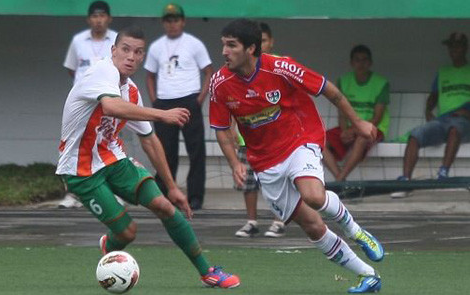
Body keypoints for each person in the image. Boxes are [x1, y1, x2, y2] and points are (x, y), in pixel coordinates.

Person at [56, 26, 240, 289]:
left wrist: (173, 187)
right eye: (125, 49)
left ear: (143, 57)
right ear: (113, 50)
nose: (131, 57)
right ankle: (111, 246)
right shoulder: (101, 70)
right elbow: (110, 105)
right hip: (80, 169)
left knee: (166, 206)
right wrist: (162, 113)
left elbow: (150, 140)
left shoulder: (130, 90)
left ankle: (207, 271)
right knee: (128, 232)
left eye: (138, 52)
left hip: (113, 158)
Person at [210, 19, 384, 293]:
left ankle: (356, 232)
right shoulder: (220, 84)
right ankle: (368, 275)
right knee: (312, 226)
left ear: (251, 49)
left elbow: (330, 90)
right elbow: (221, 129)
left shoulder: (281, 66)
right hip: (264, 161)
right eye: (223, 45)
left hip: (300, 138)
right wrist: (234, 163)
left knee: (314, 195)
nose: (224, 52)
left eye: (231, 45)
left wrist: (359, 123)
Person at [144, 3, 213, 210]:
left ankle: (195, 197)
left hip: (189, 99)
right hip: (164, 102)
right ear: (163, 23)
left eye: (175, 20)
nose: (172, 24)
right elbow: (149, 75)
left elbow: (209, 71)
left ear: (182, 21)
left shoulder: (194, 44)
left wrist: (200, 99)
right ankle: (164, 193)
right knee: (164, 151)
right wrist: (155, 100)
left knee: (196, 150)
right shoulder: (156, 46)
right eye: (168, 20)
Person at [392, 32, 470, 197]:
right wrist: (428, 111)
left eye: (457, 46)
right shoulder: (443, 72)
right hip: (443, 120)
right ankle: (405, 181)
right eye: (451, 47)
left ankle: (443, 173)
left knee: (455, 129)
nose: (454, 50)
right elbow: (433, 96)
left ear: (465, 48)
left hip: (464, 122)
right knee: (415, 135)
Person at [59, 1, 117, 208]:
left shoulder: (116, 40)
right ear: (88, 19)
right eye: (94, 16)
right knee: (73, 146)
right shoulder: (78, 41)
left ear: (109, 19)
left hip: (108, 101)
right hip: (83, 105)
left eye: (102, 16)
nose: (98, 20)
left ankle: (111, 192)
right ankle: (72, 195)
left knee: (109, 144)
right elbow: (72, 70)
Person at [232, 22, 286, 238]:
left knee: (277, 181)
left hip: (276, 138)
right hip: (248, 136)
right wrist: (233, 130)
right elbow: (233, 101)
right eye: (257, 41)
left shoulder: (279, 67)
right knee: (248, 181)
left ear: (271, 42)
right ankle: (251, 220)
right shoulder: (240, 70)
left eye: (264, 40)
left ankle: (279, 219)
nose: (260, 45)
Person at [322, 45, 390, 181]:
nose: (361, 64)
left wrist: (353, 131)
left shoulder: (381, 83)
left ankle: (340, 180)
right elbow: (341, 112)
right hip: (349, 127)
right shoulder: (344, 81)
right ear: (352, 63)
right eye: (357, 60)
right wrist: (345, 130)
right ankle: (340, 179)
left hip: (374, 128)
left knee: (362, 138)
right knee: (319, 141)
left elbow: (377, 118)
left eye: (365, 60)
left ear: (370, 63)